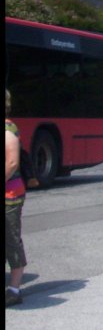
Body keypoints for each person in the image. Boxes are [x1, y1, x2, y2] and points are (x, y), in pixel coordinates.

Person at [6, 89, 29, 307]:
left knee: (11, 240)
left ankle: (14, 289)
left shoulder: (8, 128)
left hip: (9, 195)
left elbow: (12, 164)